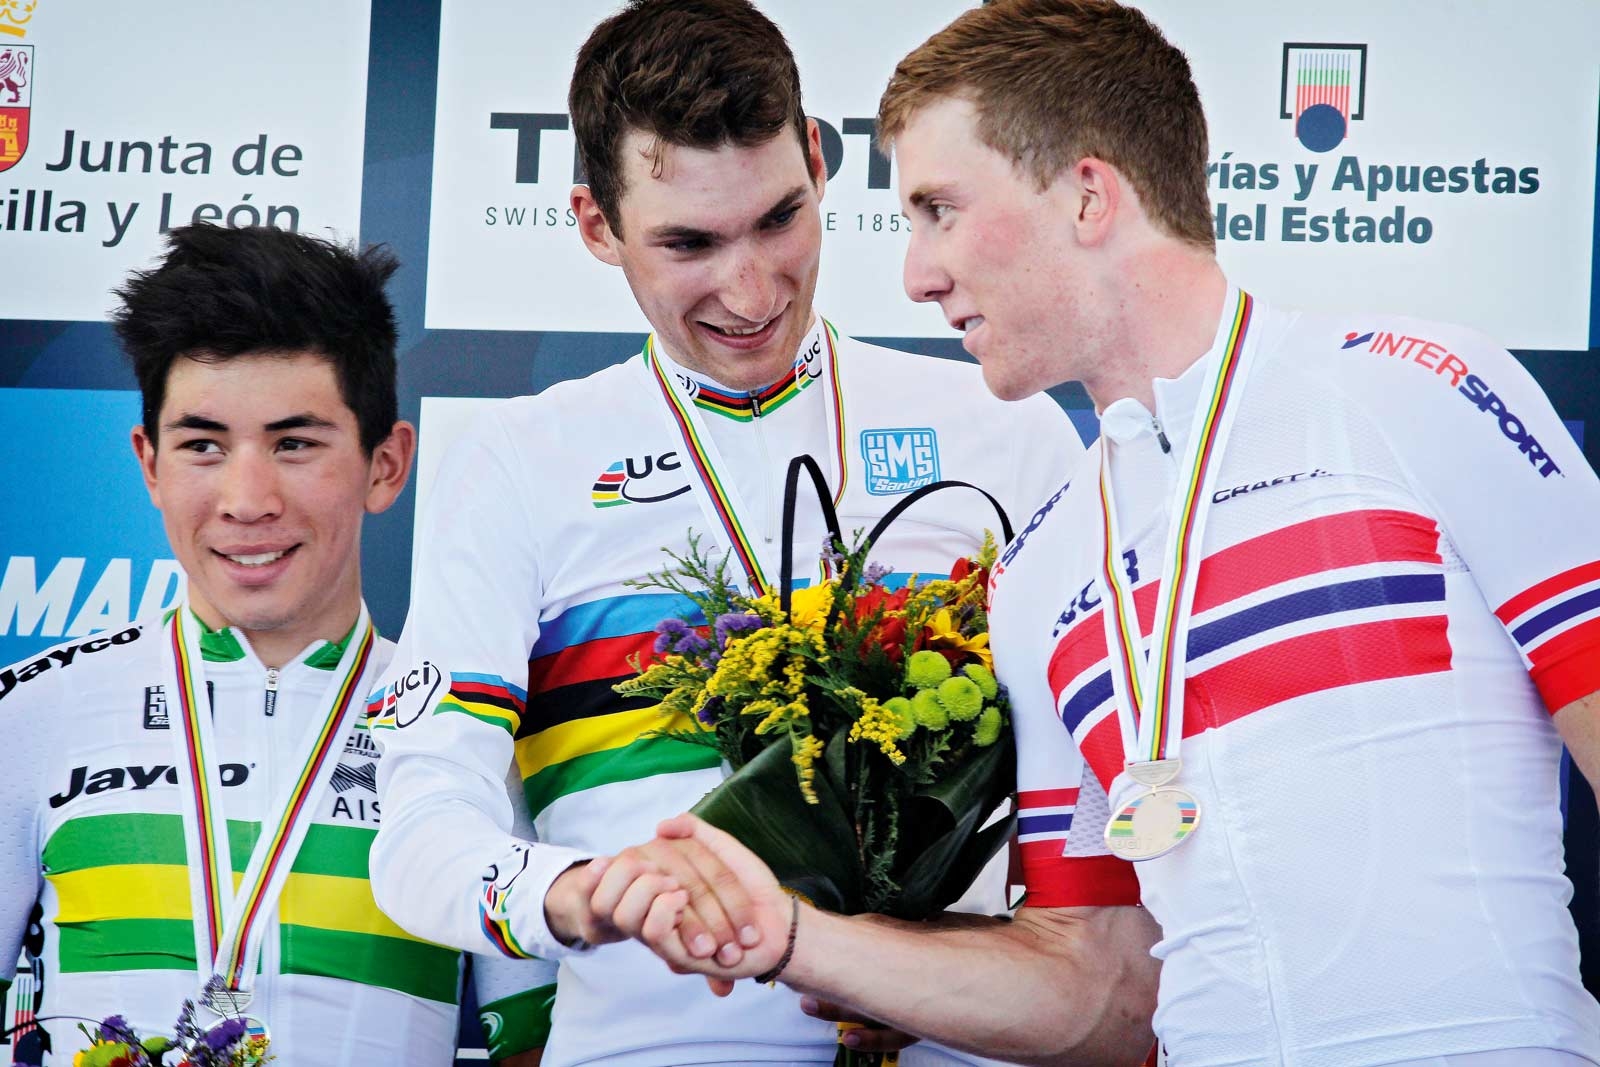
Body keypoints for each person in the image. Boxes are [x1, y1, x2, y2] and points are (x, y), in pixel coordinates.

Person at [616, 1, 1600, 1065]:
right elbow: (1101, 985)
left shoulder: (1417, 391)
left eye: (939, 210)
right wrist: (793, 936)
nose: (915, 273)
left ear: (1088, 195)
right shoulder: (1039, 569)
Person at [364, 1, 1084, 1064]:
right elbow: (421, 827)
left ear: (819, 161)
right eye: (689, 243)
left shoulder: (1008, 430)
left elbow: (1109, 812)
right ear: (596, 224)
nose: (750, 290)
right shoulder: (520, 460)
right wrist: (578, 891)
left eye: (779, 219)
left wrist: (970, 961)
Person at [0, 223, 545, 1065]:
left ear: (385, 464)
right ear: (149, 463)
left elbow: (536, 1046)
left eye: (294, 444)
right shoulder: (32, 710)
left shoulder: (474, 726)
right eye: (202, 446)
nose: (247, 499)